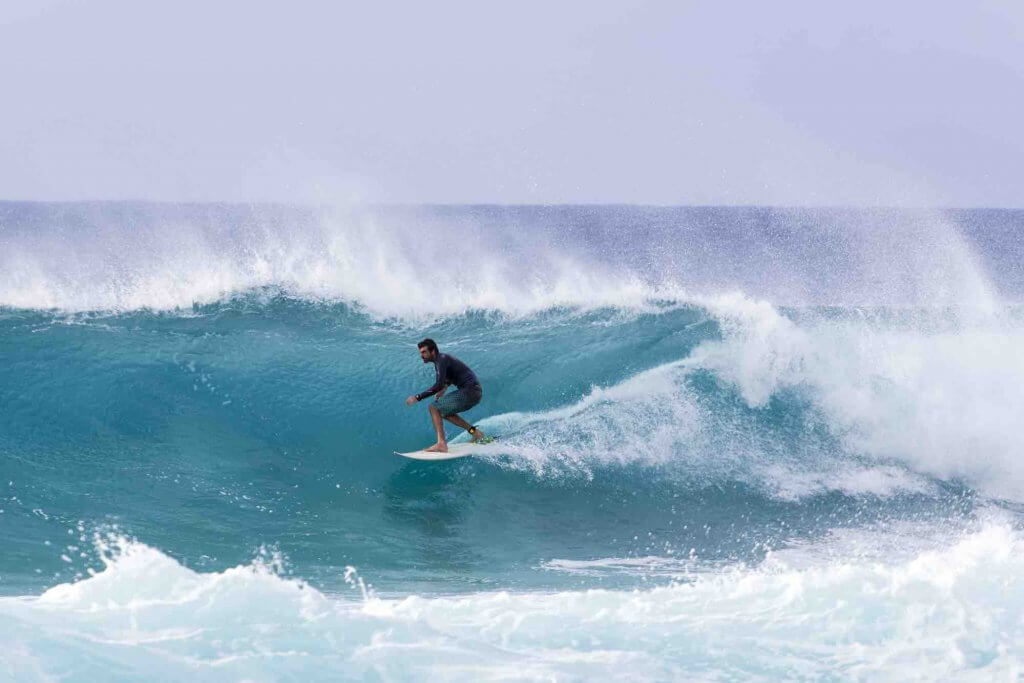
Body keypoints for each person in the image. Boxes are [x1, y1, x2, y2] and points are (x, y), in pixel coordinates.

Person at [405, 338, 485, 452]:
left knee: (433, 408)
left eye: (424, 352)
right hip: (474, 392)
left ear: (432, 351)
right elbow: (453, 374)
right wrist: (445, 388)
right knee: (443, 412)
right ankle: (475, 433)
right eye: (420, 352)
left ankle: (441, 443)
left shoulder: (441, 360)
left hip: (470, 390)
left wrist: (417, 397)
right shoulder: (442, 360)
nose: (421, 355)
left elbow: (438, 385)